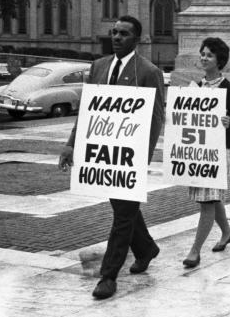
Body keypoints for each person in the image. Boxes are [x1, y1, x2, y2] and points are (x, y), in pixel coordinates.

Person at [58, 15, 166, 300]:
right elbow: (87, 110)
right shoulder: (99, 67)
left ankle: (108, 275)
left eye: (124, 34)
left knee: (123, 215)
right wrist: (71, 144)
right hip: (105, 154)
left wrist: (141, 157)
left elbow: (156, 118)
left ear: (136, 39)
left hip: (130, 155)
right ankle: (146, 249)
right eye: (114, 32)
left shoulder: (148, 71)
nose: (117, 37)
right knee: (123, 209)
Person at [182, 38, 230, 268]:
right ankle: (226, 232)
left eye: (209, 55)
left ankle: (195, 251)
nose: (204, 58)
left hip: (219, 151)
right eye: (203, 54)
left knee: (208, 200)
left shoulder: (229, 89)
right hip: (199, 150)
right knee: (210, 197)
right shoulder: (195, 87)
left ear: (220, 60)